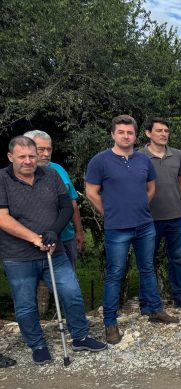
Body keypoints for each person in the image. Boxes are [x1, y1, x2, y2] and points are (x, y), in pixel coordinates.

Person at [1, 136, 106, 363]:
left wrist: (54, 231)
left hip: (53, 251)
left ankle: (80, 336)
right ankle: (37, 345)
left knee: (71, 292)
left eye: (32, 156)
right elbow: (2, 218)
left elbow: (66, 206)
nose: (28, 161)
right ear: (11, 157)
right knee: (26, 304)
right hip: (18, 257)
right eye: (22, 157)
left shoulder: (51, 174)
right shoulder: (1, 179)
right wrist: (34, 238)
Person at [85, 115, 179, 345]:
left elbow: (150, 188)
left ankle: (155, 310)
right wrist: (109, 213)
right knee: (115, 273)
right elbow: (91, 192)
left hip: (144, 225)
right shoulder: (100, 161)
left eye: (129, 133)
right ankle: (110, 322)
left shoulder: (143, 160)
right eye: (121, 132)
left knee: (147, 267)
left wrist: (139, 208)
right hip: (117, 228)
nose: (126, 136)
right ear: (113, 134)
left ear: (135, 136)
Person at [24, 130, 85, 315]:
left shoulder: (58, 169)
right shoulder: (19, 175)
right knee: (35, 284)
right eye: (40, 149)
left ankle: (70, 320)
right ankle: (38, 320)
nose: (45, 154)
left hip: (65, 236)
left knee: (69, 282)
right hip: (36, 239)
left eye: (48, 149)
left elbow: (72, 202)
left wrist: (79, 231)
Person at [138, 117, 181, 309]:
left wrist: (169, 196)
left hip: (176, 218)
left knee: (176, 260)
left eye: (166, 131)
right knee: (147, 262)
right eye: (159, 131)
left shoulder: (177, 155)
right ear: (148, 133)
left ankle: (179, 298)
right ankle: (147, 302)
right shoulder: (139, 156)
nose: (164, 134)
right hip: (149, 220)